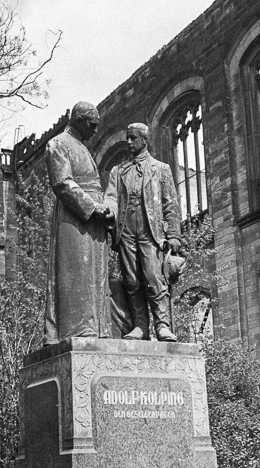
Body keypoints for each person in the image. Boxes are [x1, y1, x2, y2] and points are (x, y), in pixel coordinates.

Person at [43, 101, 115, 345]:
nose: (95, 131)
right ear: (79, 120)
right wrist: (92, 208)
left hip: (94, 220)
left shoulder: (82, 147)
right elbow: (62, 183)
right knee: (77, 272)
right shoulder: (58, 144)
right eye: (92, 125)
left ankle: (96, 328)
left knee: (96, 274)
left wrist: (104, 210)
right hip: (75, 219)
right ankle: (78, 329)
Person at [105, 122, 182, 342]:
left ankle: (163, 326)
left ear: (144, 140)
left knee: (154, 278)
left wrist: (174, 235)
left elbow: (170, 204)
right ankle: (140, 326)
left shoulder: (161, 169)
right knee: (132, 282)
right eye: (127, 138)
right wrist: (108, 210)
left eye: (133, 138)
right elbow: (110, 197)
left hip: (151, 232)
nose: (129, 142)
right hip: (126, 232)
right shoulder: (118, 172)